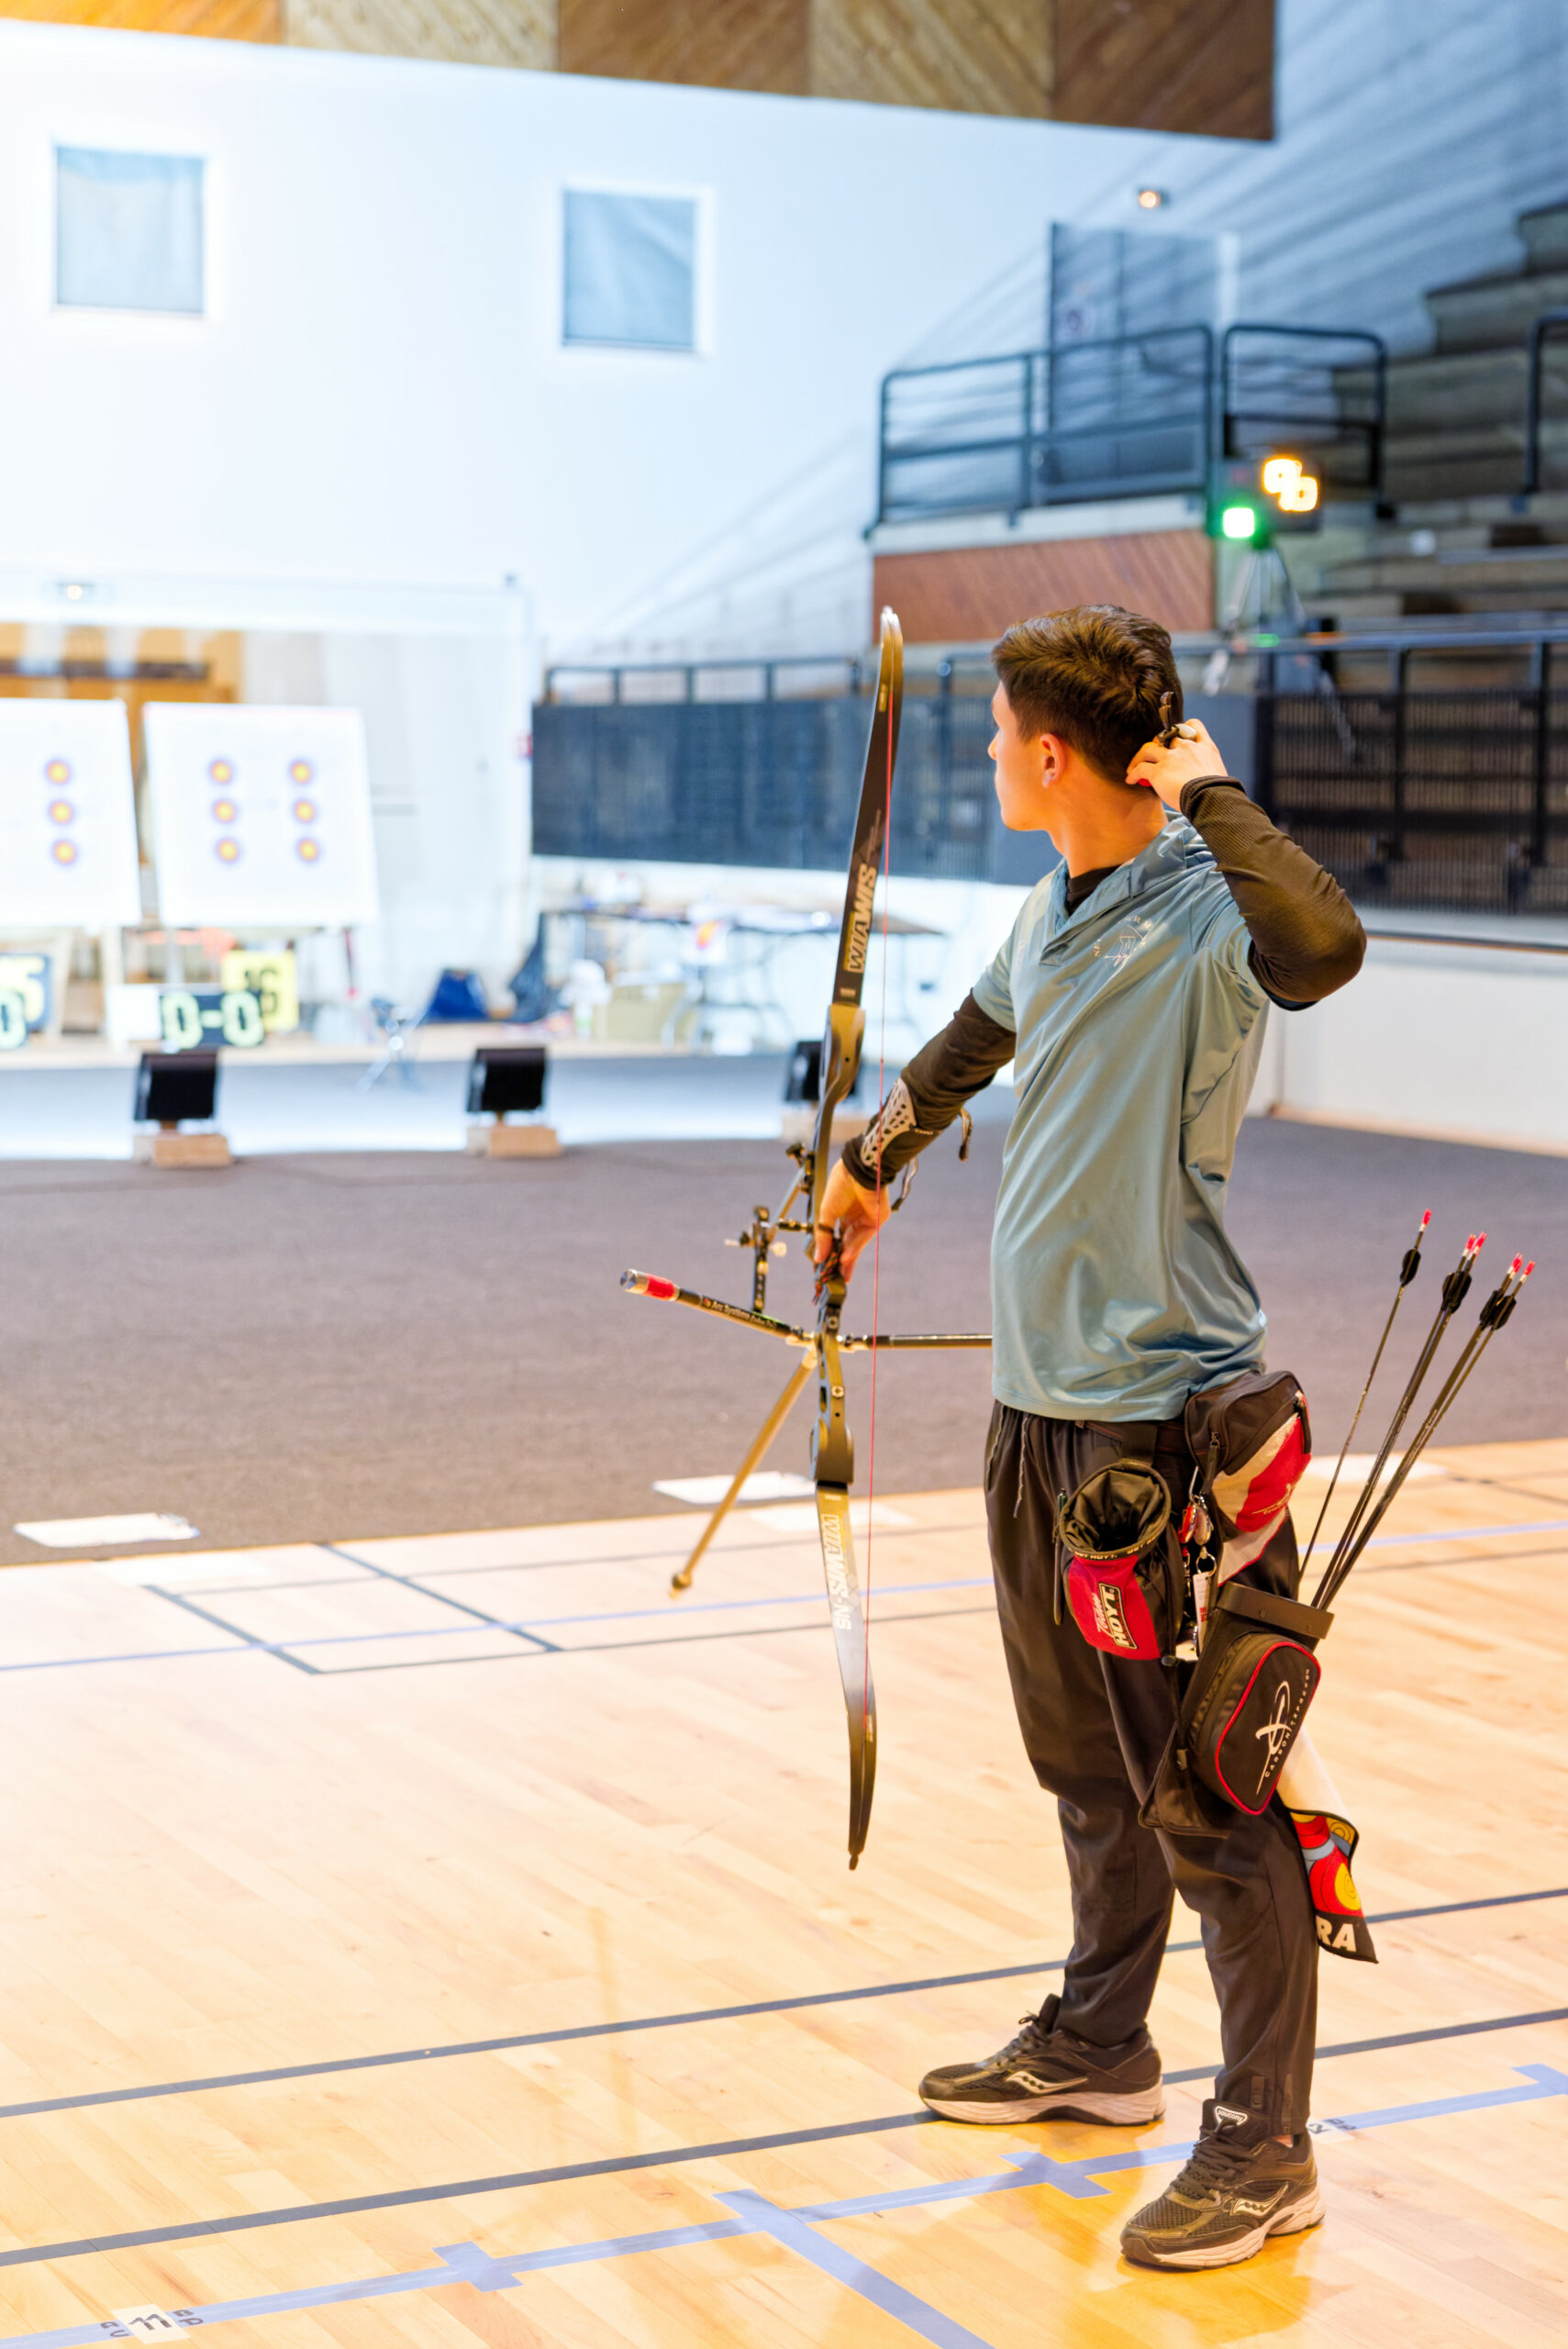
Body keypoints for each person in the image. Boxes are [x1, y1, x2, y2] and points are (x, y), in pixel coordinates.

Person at [813, 604, 1364, 2272]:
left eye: (999, 737)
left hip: (1161, 1428)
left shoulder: (1206, 911)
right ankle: (1099, 2043)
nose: (988, 755)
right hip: (1039, 1409)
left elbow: (1324, 947)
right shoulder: (1047, 908)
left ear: (1053, 755)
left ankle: (1264, 2144)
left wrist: (1207, 787)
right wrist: (873, 1159)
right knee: (1085, 1769)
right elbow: (967, 1042)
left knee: (1211, 1796)